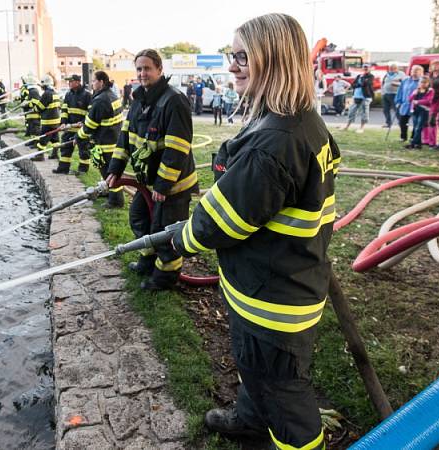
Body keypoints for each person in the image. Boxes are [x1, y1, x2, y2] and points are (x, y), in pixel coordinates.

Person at [173, 14, 338, 450]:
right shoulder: (300, 122)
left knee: (285, 396)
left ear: (275, 59)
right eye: (232, 56)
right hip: (282, 282)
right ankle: (249, 418)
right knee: (255, 370)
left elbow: (219, 224)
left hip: (273, 302)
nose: (232, 65)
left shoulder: (276, 141)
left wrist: (180, 239)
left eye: (243, 57)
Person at [106, 48, 199, 291]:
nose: (142, 73)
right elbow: (125, 137)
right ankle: (147, 262)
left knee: (164, 232)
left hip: (171, 185)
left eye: (147, 68)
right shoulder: (139, 100)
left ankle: (165, 278)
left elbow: (176, 149)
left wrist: (163, 185)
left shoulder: (174, 101)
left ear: (159, 69)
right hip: (148, 183)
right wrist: (115, 168)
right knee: (139, 218)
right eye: (139, 68)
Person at [75, 71, 124, 207]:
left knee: (108, 172)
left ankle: (116, 201)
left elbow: (90, 125)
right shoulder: (112, 95)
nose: (92, 83)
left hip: (105, 143)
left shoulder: (101, 100)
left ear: (101, 82)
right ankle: (109, 192)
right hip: (114, 139)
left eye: (94, 81)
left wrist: (78, 136)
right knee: (110, 172)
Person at [54, 74, 91, 175]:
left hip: (81, 129)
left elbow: (91, 112)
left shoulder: (87, 95)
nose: (69, 83)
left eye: (71, 81)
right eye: (68, 81)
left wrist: (83, 122)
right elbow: (64, 110)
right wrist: (63, 123)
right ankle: (63, 169)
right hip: (69, 128)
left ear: (78, 82)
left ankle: (83, 170)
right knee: (65, 150)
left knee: (83, 151)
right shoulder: (68, 94)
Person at [33, 75, 62, 161]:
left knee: (43, 139)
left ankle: (40, 156)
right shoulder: (55, 92)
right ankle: (55, 154)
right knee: (55, 139)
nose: (41, 86)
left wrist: (34, 109)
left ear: (45, 84)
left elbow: (40, 107)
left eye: (42, 85)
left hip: (48, 121)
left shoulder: (47, 94)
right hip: (56, 121)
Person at [342, 63, 375, 133]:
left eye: (367, 68)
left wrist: (360, 82)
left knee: (364, 113)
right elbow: (353, 85)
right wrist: (359, 84)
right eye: (364, 68)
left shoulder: (371, 76)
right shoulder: (359, 76)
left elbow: (365, 83)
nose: (365, 69)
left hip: (365, 97)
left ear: (369, 69)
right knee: (351, 111)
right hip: (356, 96)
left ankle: (361, 128)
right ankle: (347, 126)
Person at [395, 65, 423, 142]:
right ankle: (403, 137)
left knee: (416, 122)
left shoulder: (422, 82)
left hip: (416, 105)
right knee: (402, 121)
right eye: (413, 70)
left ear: (421, 73)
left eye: (417, 71)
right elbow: (400, 91)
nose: (414, 72)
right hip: (405, 104)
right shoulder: (406, 80)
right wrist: (398, 101)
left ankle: (413, 137)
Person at [405, 76, 434, 149]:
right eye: (421, 82)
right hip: (415, 110)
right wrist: (414, 94)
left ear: (428, 83)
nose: (423, 84)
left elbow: (428, 101)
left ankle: (413, 143)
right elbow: (410, 99)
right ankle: (418, 144)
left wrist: (417, 102)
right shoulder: (416, 90)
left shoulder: (430, 91)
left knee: (419, 127)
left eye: (425, 82)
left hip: (424, 111)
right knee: (415, 127)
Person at [20, 75, 41, 142]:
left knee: (35, 130)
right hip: (31, 114)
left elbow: (36, 102)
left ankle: (36, 142)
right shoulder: (32, 91)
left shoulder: (34, 91)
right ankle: (32, 141)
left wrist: (26, 104)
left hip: (34, 114)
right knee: (32, 129)